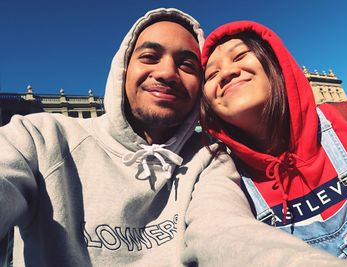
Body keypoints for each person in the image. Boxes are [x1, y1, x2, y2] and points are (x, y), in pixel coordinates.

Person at [0, 7, 214, 266]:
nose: (167, 72)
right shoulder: (39, 138)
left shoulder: (209, 158)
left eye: (187, 64)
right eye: (149, 56)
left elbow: (230, 234)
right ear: (122, 69)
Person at [197, 20, 347, 266]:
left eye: (240, 55)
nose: (227, 72)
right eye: (211, 74)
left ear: (276, 64)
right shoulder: (223, 178)